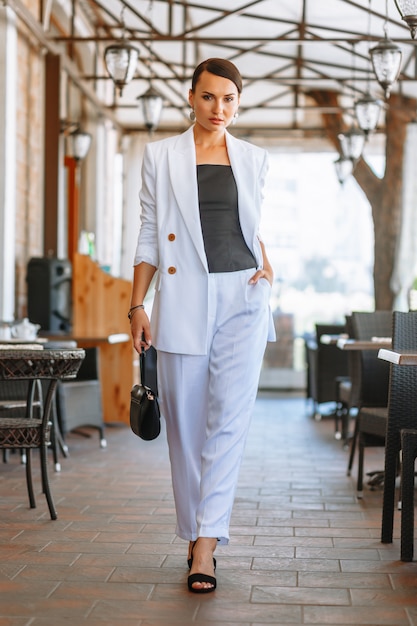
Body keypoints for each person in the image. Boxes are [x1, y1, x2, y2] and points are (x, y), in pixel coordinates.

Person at [129, 58, 275, 594]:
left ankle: (207, 544)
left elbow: (249, 222)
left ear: (239, 103)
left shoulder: (255, 158)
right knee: (187, 428)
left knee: (229, 424)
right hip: (183, 295)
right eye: (210, 97)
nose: (220, 109)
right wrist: (137, 305)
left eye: (230, 99)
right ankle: (193, 532)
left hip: (243, 293)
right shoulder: (160, 155)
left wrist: (266, 258)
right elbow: (149, 231)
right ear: (191, 96)